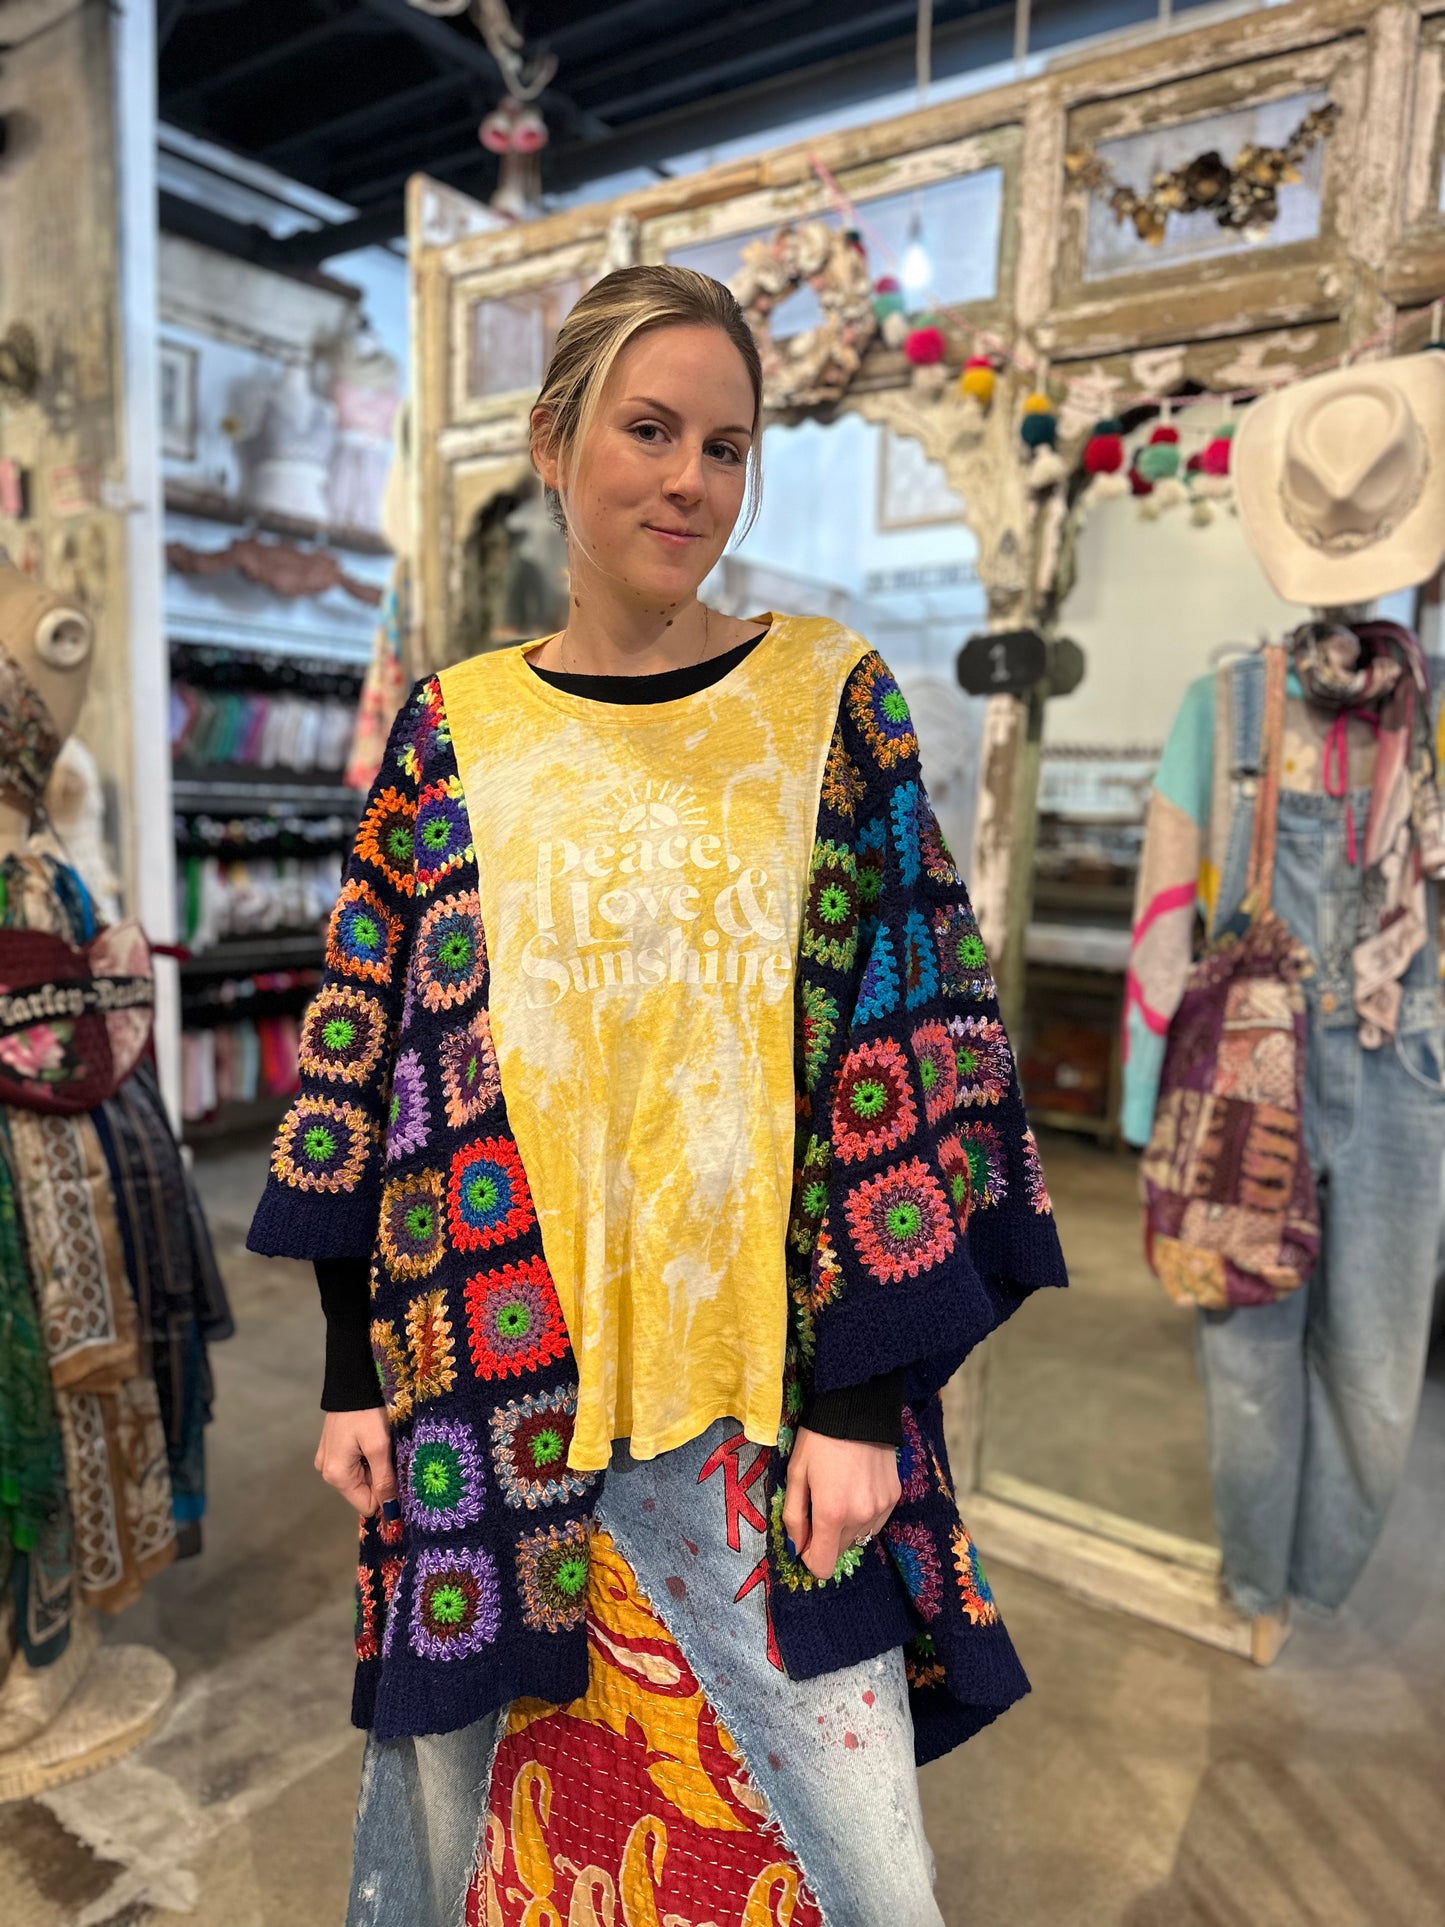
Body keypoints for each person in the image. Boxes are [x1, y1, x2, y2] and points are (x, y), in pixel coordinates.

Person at [248, 265, 1068, 1927]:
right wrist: (349, 1368)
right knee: (473, 1813)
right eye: (647, 430)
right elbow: (365, 1050)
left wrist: (860, 1403)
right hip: (486, 1384)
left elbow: (909, 1032)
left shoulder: (825, 703)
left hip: (755, 1397)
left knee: (847, 1842)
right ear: (554, 445)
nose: (689, 479)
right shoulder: (454, 729)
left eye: (725, 445)